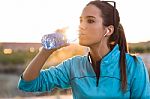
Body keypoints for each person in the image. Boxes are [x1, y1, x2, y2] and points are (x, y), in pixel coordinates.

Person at [18, 0, 150, 98]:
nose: (81, 26)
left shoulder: (133, 65)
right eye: (81, 20)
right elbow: (28, 84)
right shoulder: (73, 66)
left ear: (108, 30)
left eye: (90, 21)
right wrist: (46, 51)